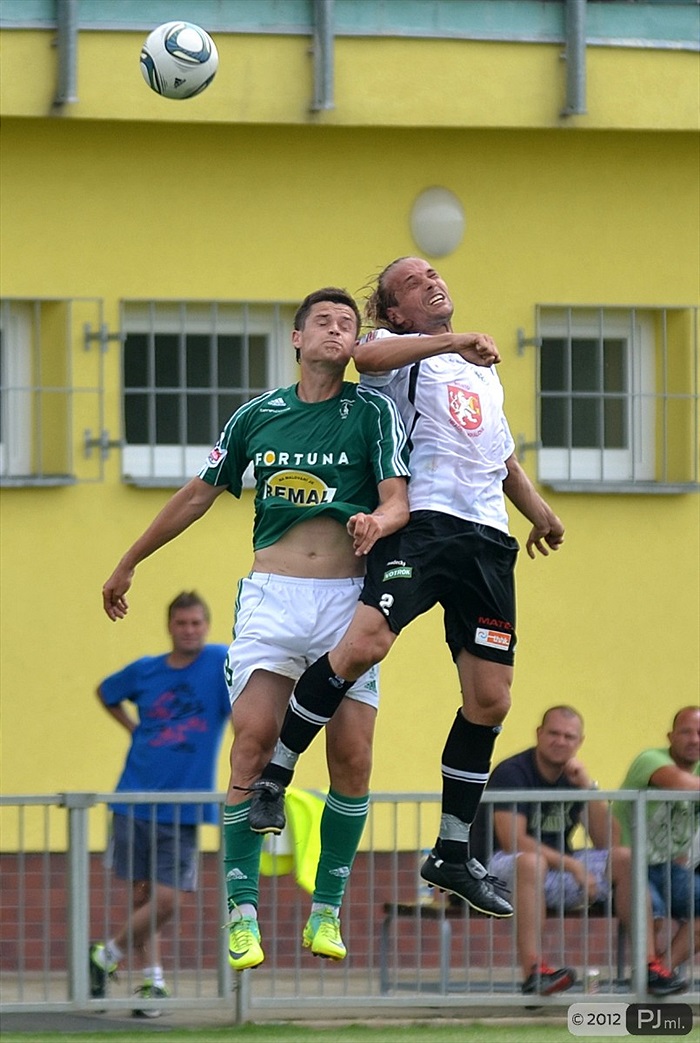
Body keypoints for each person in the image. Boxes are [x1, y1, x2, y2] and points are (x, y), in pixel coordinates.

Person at [101, 287, 411, 971]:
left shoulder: (372, 412)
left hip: (344, 603)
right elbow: (197, 493)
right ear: (297, 338)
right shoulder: (256, 415)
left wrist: (377, 523)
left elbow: (398, 499)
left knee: (352, 759)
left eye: (348, 324)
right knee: (252, 743)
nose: (337, 330)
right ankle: (241, 912)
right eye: (324, 321)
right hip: (272, 599)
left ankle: (326, 908)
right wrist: (129, 560)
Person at [249, 256, 564, 920]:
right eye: (417, 281)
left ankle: (451, 850)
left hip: (485, 540)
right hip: (422, 527)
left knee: (491, 698)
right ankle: (275, 772)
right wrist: (453, 339)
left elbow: (501, 457)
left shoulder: (478, 371)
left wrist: (539, 511)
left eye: (436, 274)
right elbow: (365, 354)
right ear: (396, 310)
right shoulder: (400, 357)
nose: (435, 281)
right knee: (363, 646)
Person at [469, 705, 688, 998]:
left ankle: (649, 966)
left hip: (554, 869)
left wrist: (587, 786)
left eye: (569, 737)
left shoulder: (573, 777)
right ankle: (535, 972)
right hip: (495, 874)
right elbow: (513, 842)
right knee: (531, 863)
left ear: (579, 742)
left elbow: (608, 839)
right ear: (539, 734)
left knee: (625, 858)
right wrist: (573, 867)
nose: (561, 741)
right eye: (554, 734)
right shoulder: (513, 773)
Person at [89, 591, 231, 1016]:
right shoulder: (147, 671)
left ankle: (105, 955)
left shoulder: (219, 664)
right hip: (134, 797)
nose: (189, 631)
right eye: (182, 623)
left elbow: (250, 697)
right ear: (170, 626)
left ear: (206, 626)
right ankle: (152, 983)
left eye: (196, 624)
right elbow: (106, 691)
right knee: (141, 896)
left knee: (168, 899)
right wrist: (133, 728)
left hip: (185, 804)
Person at [614, 706, 700, 973]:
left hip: (672, 868)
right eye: (686, 732)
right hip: (629, 865)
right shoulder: (650, 759)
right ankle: (651, 971)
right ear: (670, 736)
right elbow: (682, 784)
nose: (694, 739)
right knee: (655, 917)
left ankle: (659, 972)